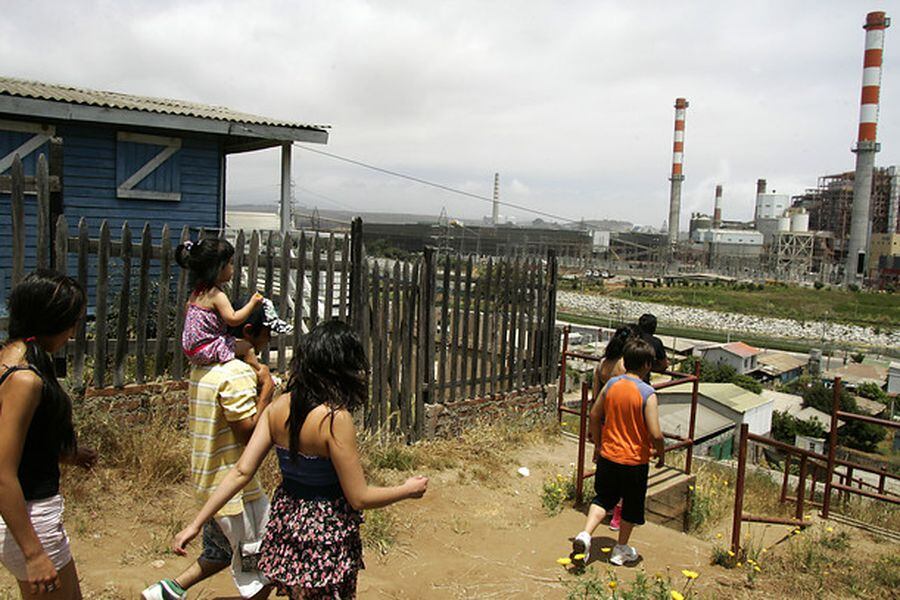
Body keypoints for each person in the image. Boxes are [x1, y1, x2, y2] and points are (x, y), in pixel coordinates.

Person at [171, 320, 429, 599]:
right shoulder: (335, 419)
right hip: (326, 529)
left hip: (288, 521)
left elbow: (240, 472)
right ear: (341, 367)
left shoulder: (277, 408)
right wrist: (407, 490)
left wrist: (196, 523)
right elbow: (359, 497)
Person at [142, 294, 287, 600]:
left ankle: (166, 592)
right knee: (264, 566)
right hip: (236, 491)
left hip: (210, 482)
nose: (268, 339)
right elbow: (248, 435)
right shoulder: (235, 375)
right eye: (266, 333)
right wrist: (267, 394)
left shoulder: (205, 367)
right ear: (248, 332)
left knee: (220, 551)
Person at [0, 270, 97, 598]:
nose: (72, 332)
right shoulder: (25, 380)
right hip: (30, 519)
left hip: (24, 519)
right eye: (71, 323)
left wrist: (69, 454)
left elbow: (25, 441)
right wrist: (34, 553)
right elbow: (2, 473)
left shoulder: (7, 360)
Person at [571, 338, 665, 567]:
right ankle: (620, 549)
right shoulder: (647, 393)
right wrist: (661, 452)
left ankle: (585, 534)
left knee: (603, 498)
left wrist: (598, 442)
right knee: (631, 507)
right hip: (634, 461)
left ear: (625, 361)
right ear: (647, 366)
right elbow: (655, 433)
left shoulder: (612, 385)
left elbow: (594, 415)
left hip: (609, 455)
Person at [175, 237, 269, 384]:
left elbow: (188, 309)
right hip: (207, 347)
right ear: (218, 268)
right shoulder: (217, 295)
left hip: (191, 349)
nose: (233, 268)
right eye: (230, 263)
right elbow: (233, 319)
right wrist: (252, 304)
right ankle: (258, 372)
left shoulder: (197, 292)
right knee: (247, 346)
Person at [591, 325, 637, 532]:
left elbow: (595, 396)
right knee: (624, 466)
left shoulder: (603, 365)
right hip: (623, 420)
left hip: (604, 419)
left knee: (605, 463)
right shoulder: (626, 366)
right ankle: (618, 514)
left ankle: (604, 505)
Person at [636, 313, 668, 382]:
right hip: (642, 380)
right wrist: (650, 366)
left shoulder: (631, 337)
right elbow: (663, 365)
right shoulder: (656, 342)